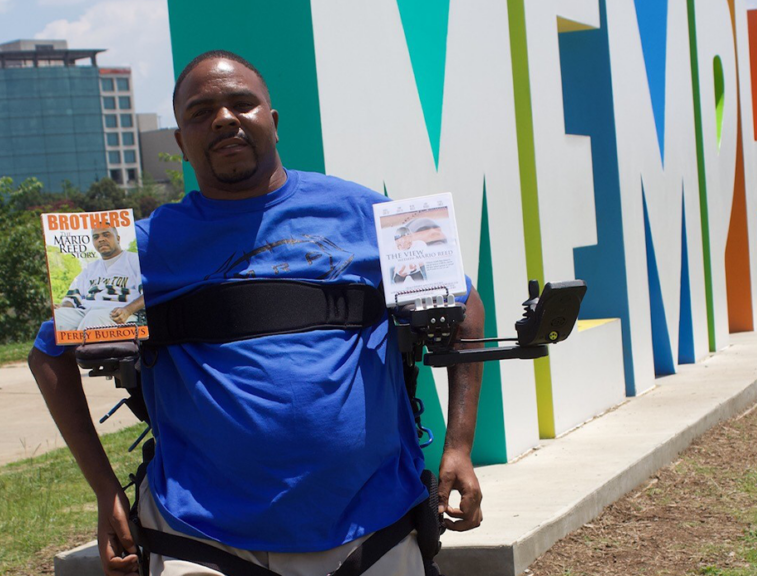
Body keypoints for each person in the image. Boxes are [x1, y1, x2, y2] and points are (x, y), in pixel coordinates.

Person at [28, 50, 484, 576]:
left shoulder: (365, 214)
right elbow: (48, 357)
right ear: (180, 142)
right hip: (199, 537)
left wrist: (460, 446)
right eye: (200, 112)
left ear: (272, 121)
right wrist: (106, 490)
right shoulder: (139, 248)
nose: (223, 119)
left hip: (373, 524)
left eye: (241, 104)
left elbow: (464, 306)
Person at [53, 224, 145, 332]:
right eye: (96, 237)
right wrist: (63, 308)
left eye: (106, 235)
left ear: (118, 239)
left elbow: (148, 294)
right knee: (57, 317)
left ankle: (76, 349)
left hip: (120, 314)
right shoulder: (89, 268)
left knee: (93, 319)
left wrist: (128, 310)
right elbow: (72, 298)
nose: (101, 239)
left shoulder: (135, 260)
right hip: (86, 312)